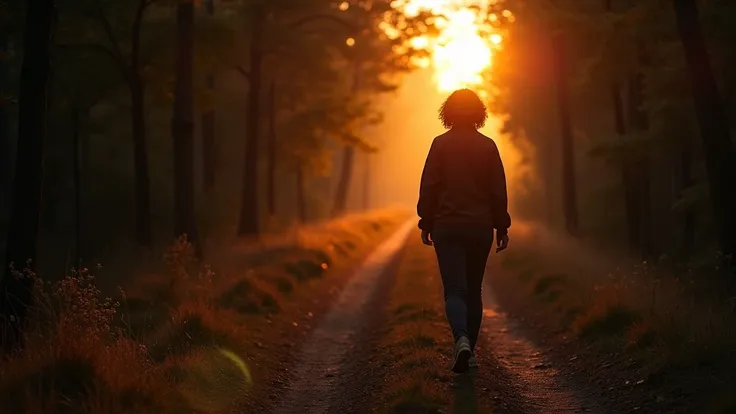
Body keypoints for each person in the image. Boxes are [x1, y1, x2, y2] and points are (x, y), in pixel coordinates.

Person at [416, 88, 511, 374]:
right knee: (473, 290)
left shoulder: (440, 145)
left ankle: (461, 340)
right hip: (479, 227)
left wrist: (426, 222)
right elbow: (498, 191)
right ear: (479, 113)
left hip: (447, 226)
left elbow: (429, 186)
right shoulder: (488, 146)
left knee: (455, 290)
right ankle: (469, 350)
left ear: (448, 113)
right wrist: (502, 226)